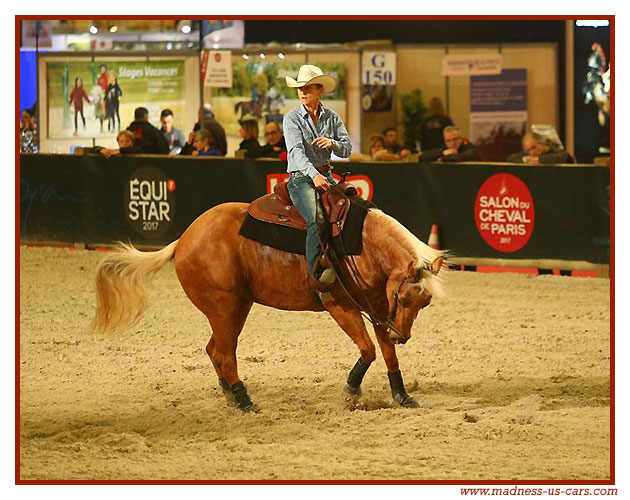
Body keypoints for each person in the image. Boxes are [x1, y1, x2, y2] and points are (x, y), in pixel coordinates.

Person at [283, 64, 352, 289]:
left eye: (308, 88)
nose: (303, 92)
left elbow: (347, 148)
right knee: (318, 218)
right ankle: (314, 275)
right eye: (300, 88)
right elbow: (296, 153)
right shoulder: (291, 119)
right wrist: (314, 175)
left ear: (320, 90)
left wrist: (332, 143)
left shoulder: (332, 118)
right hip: (301, 178)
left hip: (325, 174)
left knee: (352, 210)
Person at [98, 107, 169, 158]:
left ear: (134, 117)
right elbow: (165, 151)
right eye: (122, 141)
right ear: (147, 117)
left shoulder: (127, 131)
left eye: (127, 141)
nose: (124, 143)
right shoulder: (155, 132)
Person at [506, 133, 571, 165]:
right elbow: (511, 158)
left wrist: (538, 160)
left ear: (542, 143)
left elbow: (562, 157)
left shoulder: (557, 151)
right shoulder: (530, 154)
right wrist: (525, 159)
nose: (532, 153)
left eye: (534, 147)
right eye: (528, 150)